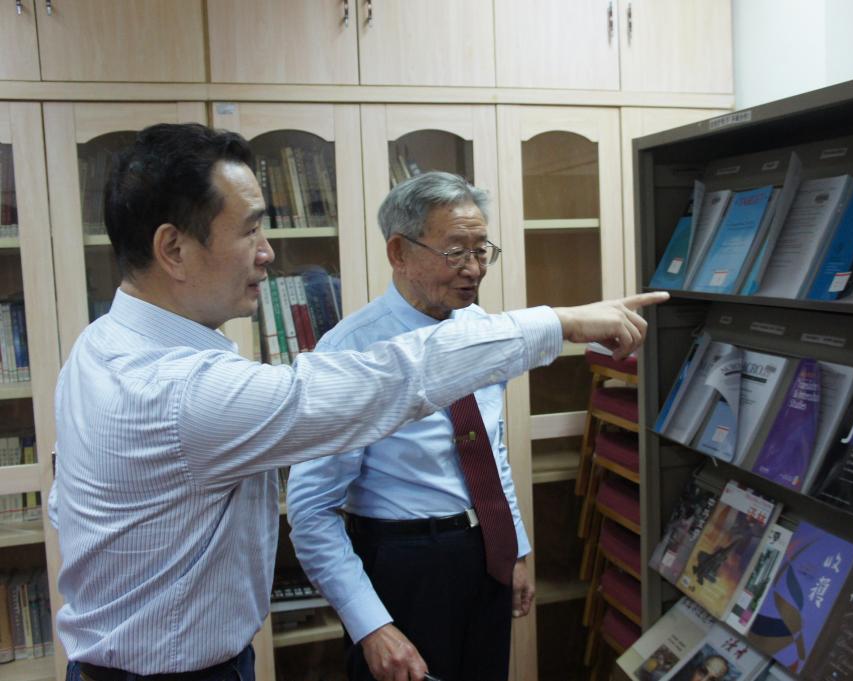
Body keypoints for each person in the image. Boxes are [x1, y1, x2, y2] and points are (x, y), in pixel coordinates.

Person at [46, 122, 666, 681]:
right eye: (251, 229)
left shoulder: (102, 346)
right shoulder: (183, 390)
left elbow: (63, 502)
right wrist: (561, 322)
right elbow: (387, 382)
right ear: (174, 249)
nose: (268, 251)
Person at [288, 172, 534, 681]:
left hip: (486, 553)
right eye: (455, 252)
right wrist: (370, 625)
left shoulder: (482, 330)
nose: (474, 269)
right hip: (401, 567)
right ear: (399, 252)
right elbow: (311, 510)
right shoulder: (351, 351)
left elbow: (490, 451)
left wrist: (515, 547)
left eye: (481, 250)